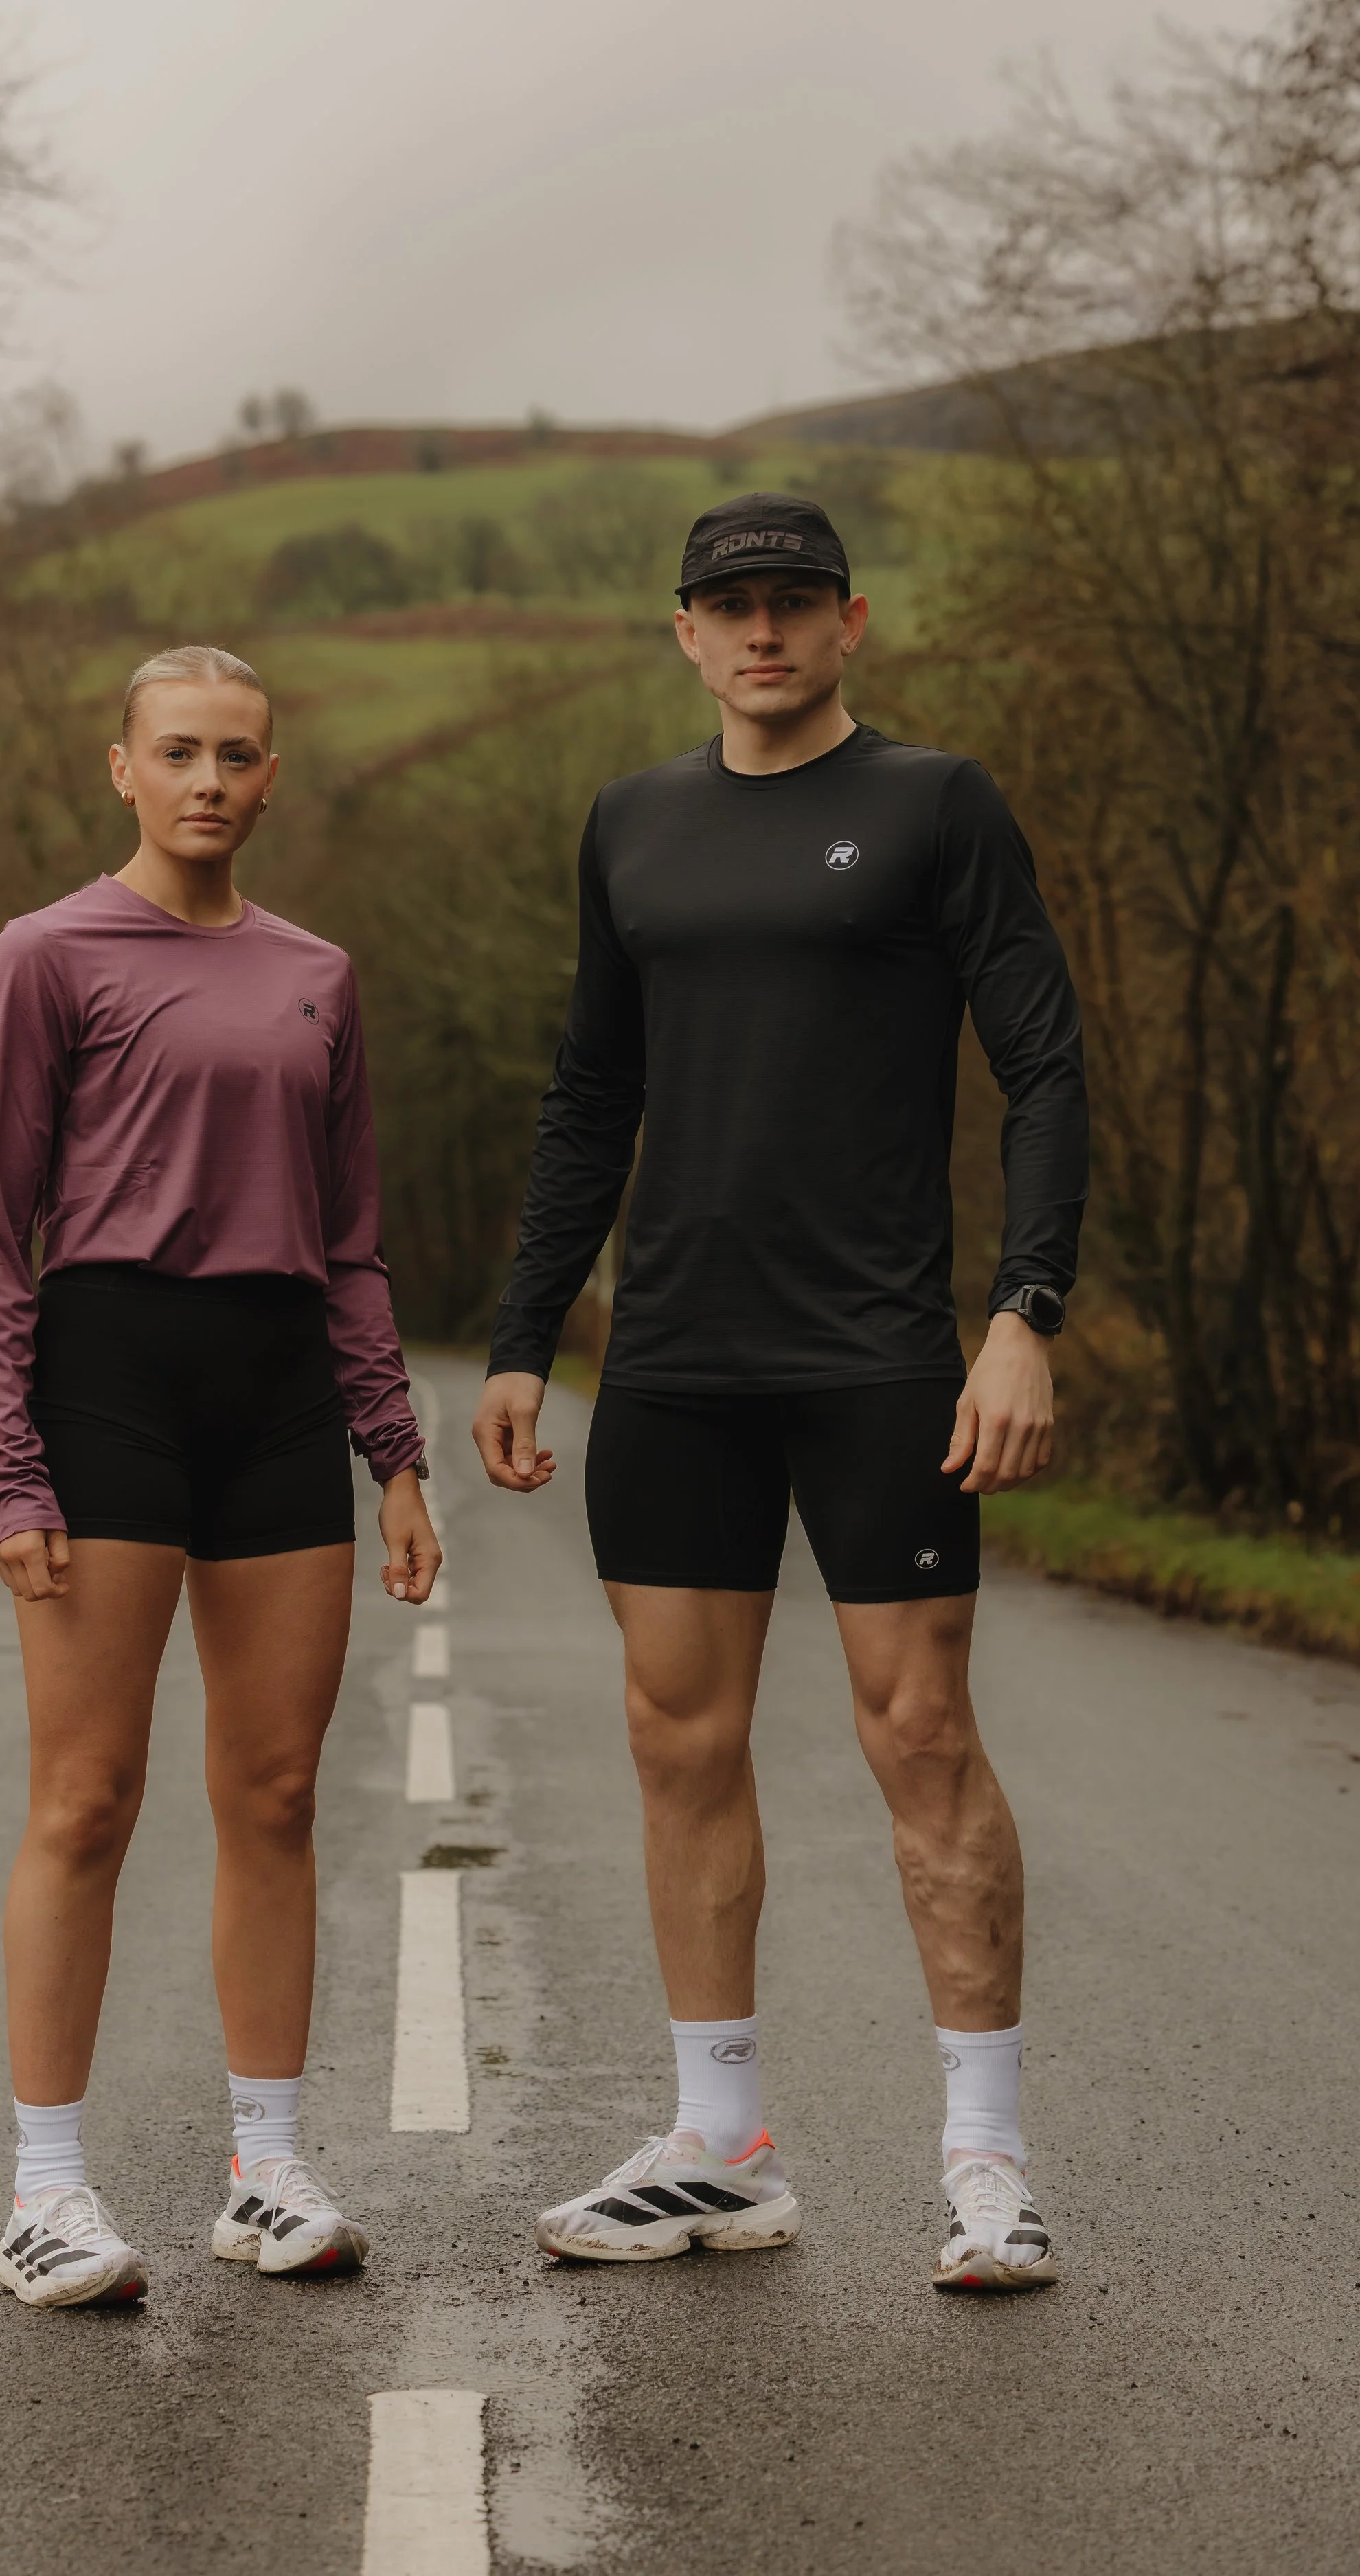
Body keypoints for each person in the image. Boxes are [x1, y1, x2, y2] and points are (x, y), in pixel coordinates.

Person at [473, 495, 1085, 2290]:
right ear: (681, 628)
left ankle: (987, 2157)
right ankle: (720, 2142)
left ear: (848, 620)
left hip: (881, 1349)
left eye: (792, 603)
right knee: (677, 1735)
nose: (761, 631)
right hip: (671, 1356)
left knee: (919, 1734)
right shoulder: (632, 825)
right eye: (729, 605)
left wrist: (1023, 1310)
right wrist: (521, 1332)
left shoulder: (933, 806)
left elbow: (1042, 1062)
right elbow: (590, 1094)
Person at [0, 643, 439, 2309]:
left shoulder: (321, 974)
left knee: (280, 1795)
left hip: (278, 1392)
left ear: (272, 777)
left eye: (237, 755)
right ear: (123, 768)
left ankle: (267, 2169)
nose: (209, 782)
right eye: (178, 753)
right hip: (110, 1386)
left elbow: (354, 1242)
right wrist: (7, 1464)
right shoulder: (46, 955)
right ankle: (43, 2193)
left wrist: (394, 1453)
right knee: (86, 1799)